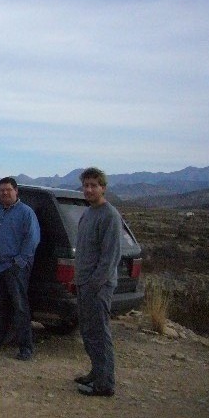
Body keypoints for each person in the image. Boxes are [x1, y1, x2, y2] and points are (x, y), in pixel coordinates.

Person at [0, 177, 41, 360]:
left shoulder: (26, 213)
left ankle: (25, 347)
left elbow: (32, 240)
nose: (4, 193)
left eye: (8, 190)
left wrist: (19, 262)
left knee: (20, 308)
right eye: (1, 191)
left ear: (16, 191)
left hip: (15, 268)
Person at [74, 167, 121, 397]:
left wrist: (94, 284)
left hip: (98, 286)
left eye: (94, 185)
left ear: (103, 188)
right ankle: (97, 371)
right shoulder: (88, 213)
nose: (89, 189)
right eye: (86, 185)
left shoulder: (109, 215)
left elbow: (109, 257)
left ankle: (105, 384)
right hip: (84, 283)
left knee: (100, 333)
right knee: (88, 331)